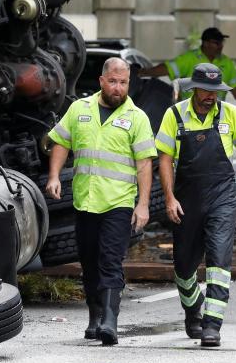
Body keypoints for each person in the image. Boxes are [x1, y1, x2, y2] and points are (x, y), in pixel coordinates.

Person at [155, 63, 236, 348]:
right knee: (184, 267)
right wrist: (169, 197)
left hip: (222, 196)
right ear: (194, 89)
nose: (211, 96)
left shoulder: (230, 114)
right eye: (206, 90)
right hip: (186, 199)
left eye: (216, 91)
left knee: (219, 261)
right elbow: (163, 161)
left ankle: (211, 326)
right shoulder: (174, 115)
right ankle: (193, 309)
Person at [46, 57, 157, 346]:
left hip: (118, 203)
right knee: (90, 261)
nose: (118, 88)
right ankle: (95, 316)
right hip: (85, 201)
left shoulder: (137, 118)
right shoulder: (79, 109)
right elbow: (61, 142)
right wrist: (54, 176)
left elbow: (145, 164)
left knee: (110, 261)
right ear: (101, 81)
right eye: (113, 81)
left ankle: (110, 320)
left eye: (123, 82)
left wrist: (142, 204)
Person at [139, 27, 236, 113]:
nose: (220, 46)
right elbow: (167, 68)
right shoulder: (190, 59)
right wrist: (144, 72)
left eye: (221, 43)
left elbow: (235, 87)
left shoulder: (226, 63)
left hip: (215, 114)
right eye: (217, 43)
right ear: (206, 43)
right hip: (190, 113)